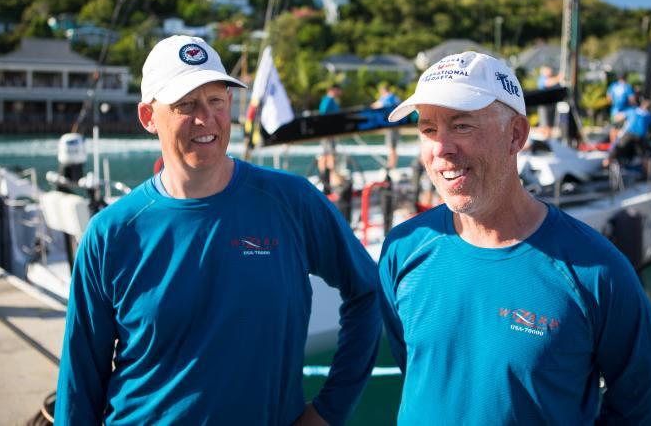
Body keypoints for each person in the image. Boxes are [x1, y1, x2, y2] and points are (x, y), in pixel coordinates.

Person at [55, 36, 381, 425]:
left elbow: (368, 291)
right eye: (186, 105)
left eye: (217, 102)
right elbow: (79, 380)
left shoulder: (292, 201)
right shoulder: (111, 233)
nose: (205, 119)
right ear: (147, 117)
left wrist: (329, 409)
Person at [378, 51, 651, 424]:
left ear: (515, 134)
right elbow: (420, 372)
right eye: (428, 129)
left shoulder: (597, 271)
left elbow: (646, 408)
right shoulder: (403, 248)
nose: (441, 148)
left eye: (462, 126)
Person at [606, 97, 651, 167]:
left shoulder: (633, 110)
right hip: (641, 136)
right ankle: (647, 175)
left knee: (617, 147)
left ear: (641, 105)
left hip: (630, 133)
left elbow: (617, 117)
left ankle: (606, 162)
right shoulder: (649, 116)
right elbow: (650, 127)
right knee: (644, 155)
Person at [371, 82, 401, 169]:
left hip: (392, 126)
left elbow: (377, 105)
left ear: (382, 91)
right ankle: (392, 165)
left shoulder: (388, 98)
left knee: (392, 147)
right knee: (393, 147)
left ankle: (391, 166)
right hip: (396, 125)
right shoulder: (395, 98)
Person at [317, 84, 342, 188]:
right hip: (327, 133)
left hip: (330, 133)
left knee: (327, 154)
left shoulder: (330, 100)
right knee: (330, 154)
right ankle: (330, 178)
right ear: (334, 90)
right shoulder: (328, 100)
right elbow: (323, 114)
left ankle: (327, 178)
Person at [607, 71, 636, 142]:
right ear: (626, 77)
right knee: (621, 131)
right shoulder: (627, 86)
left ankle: (612, 147)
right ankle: (618, 147)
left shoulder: (613, 86)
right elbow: (632, 100)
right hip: (624, 112)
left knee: (614, 129)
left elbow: (608, 99)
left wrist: (615, 104)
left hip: (614, 111)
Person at [535, 65, 561, 139]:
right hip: (544, 105)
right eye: (548, 70)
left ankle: (548, 138)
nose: (550, 71)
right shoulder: (542, 79)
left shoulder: (553, 80)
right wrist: (559, 78)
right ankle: (545, 139)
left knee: (550, 124)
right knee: (544, 123)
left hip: (551, 104)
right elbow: (547, 83)